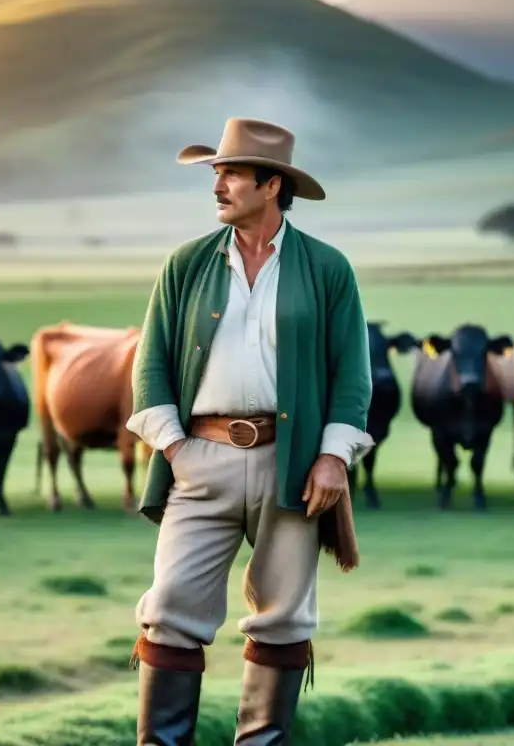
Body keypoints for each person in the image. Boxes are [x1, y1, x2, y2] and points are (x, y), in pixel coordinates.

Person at [126, 117, 374, 744]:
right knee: (171, 611)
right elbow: (150, 364)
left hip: (290, 466)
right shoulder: (185, 264)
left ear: (271, 185)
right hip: (198, 458)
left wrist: (333, 458)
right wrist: (176, 448)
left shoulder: (328, 268)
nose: (219, 184)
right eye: (217, 172)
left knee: (284, 619)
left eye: (231, 173)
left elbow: (352, 374)